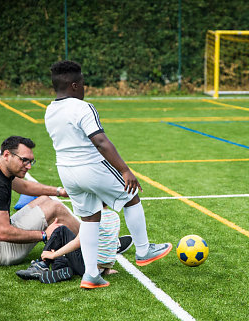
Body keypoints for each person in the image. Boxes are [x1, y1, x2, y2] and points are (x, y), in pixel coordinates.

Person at [45, 60, 172, 289]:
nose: (85, 88)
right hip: (91, 167)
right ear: (75, 85)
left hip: (66, 171)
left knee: (90, 217)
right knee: (131, 196)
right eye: (83, 84)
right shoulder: (83, 107)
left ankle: (91, 274)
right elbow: (100, 141)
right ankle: (143, 250)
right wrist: (125, 170)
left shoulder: (50, 110)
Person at [0, 136, 80, 266]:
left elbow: (24, 187)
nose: (29, 166)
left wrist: (59, 191)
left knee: (45, 199)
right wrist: (44, 235)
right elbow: (3, 233)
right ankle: (98, 244)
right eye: (24, 160)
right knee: (55, 208)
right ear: (7, 154)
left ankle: (88, 239)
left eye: (30, 161)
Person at [16, 205, 133, 285]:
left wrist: (53, 255)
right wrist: (107, 270)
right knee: (64, 257)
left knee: (61, 230)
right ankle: (63, 269)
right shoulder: (115, 217)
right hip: (98, 269)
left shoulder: (92, 219)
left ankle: (42, 265)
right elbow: (112, 245)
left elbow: (77, 242)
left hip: (87, 266)